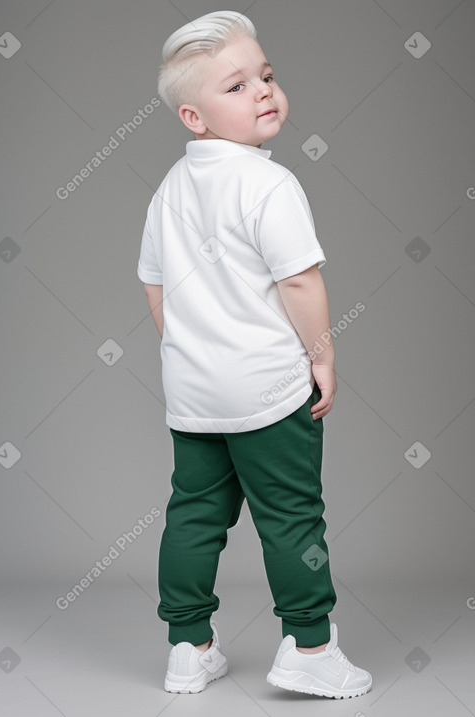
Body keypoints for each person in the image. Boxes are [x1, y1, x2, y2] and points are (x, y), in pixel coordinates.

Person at [137, 9, 372, 699]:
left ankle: (188, 645)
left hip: (194, 394)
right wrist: (322, 357)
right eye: (236, 86)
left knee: (193, 513)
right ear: (193, 116)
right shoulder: (270, 185)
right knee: (292, 517)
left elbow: (155, 284)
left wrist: (189, 349)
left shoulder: (169, 191)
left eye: (266, 75)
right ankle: (310, 645)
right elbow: (299, 279)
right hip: (269, 391)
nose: (264, 90)